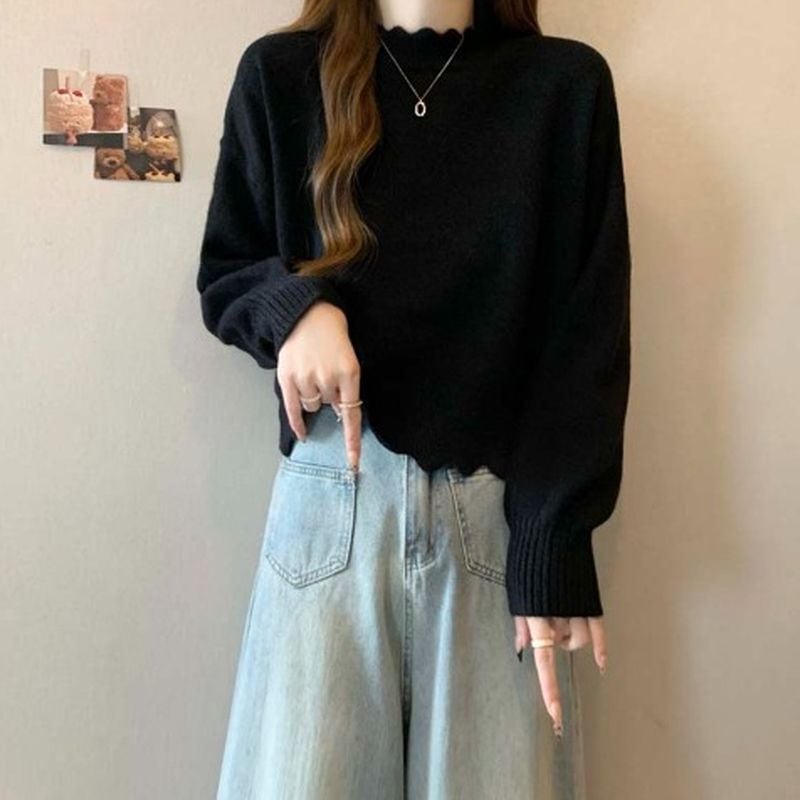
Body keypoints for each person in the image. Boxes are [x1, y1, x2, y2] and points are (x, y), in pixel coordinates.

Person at [196, 0, 631, 796]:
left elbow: (586, 341)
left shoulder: (563, 88)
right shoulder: (281, 76)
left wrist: (554, 540)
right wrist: (298, 311)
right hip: (330, 511)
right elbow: (227, 266)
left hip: (498, 528)